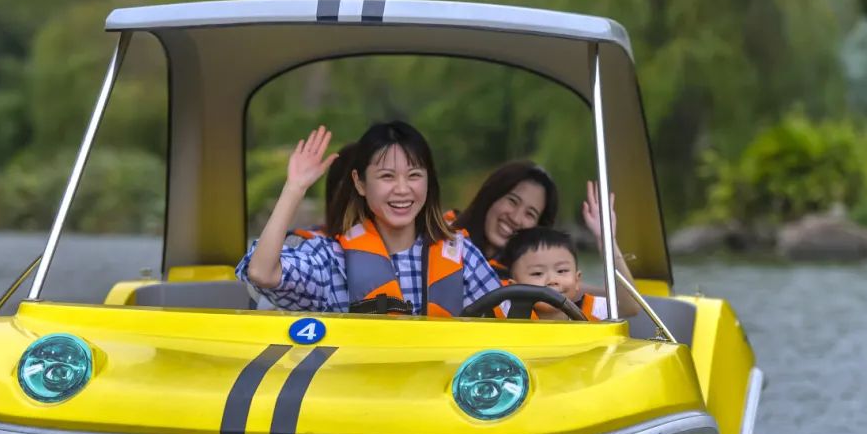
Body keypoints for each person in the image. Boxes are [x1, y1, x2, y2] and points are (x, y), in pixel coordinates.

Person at [238, 122, 503, 316]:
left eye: (414, 176)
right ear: (360, 183)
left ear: (428, 181)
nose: (402, 189)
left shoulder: (460, 254)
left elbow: (510, 320)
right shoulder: (332, 259)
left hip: (440, 390)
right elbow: (262, 273)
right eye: (387, 176)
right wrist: (294, 188)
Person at [502, 187, 639, 320]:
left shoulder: (591, 310)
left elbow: (629, 306)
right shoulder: (505, 313)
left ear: (577, 279)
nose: (552, 280)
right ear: (514, 287)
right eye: (537, 273)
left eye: (561, 271)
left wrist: (606, 239)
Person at [452, 161, 560, 274]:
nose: (515, 218)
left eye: (530, 214)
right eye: (512, 201)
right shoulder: (438, 239)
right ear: (491, 196)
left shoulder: (530, 284)